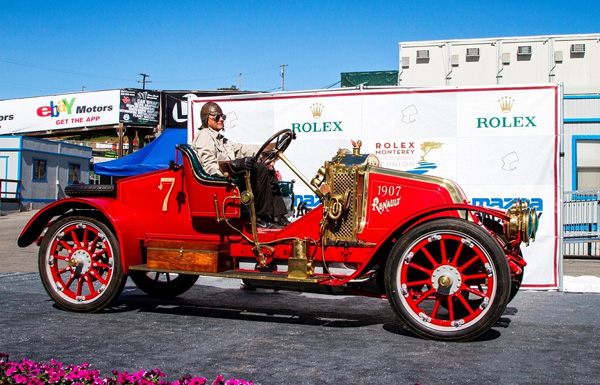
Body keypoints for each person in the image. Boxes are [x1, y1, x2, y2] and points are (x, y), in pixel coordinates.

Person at [192, 102, 289, 229]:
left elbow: (243, 149)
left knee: (266, 167)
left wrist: (271, 147)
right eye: (217, 117)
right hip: (221, 182)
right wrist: (234, 165)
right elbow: (209, 167)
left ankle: (278, 216)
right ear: (207, 118)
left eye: (223, 116)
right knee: (259, 168)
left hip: (231, 178)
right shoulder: (205, 136)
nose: (221, 119)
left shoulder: (222, 139)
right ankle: (260, 217)